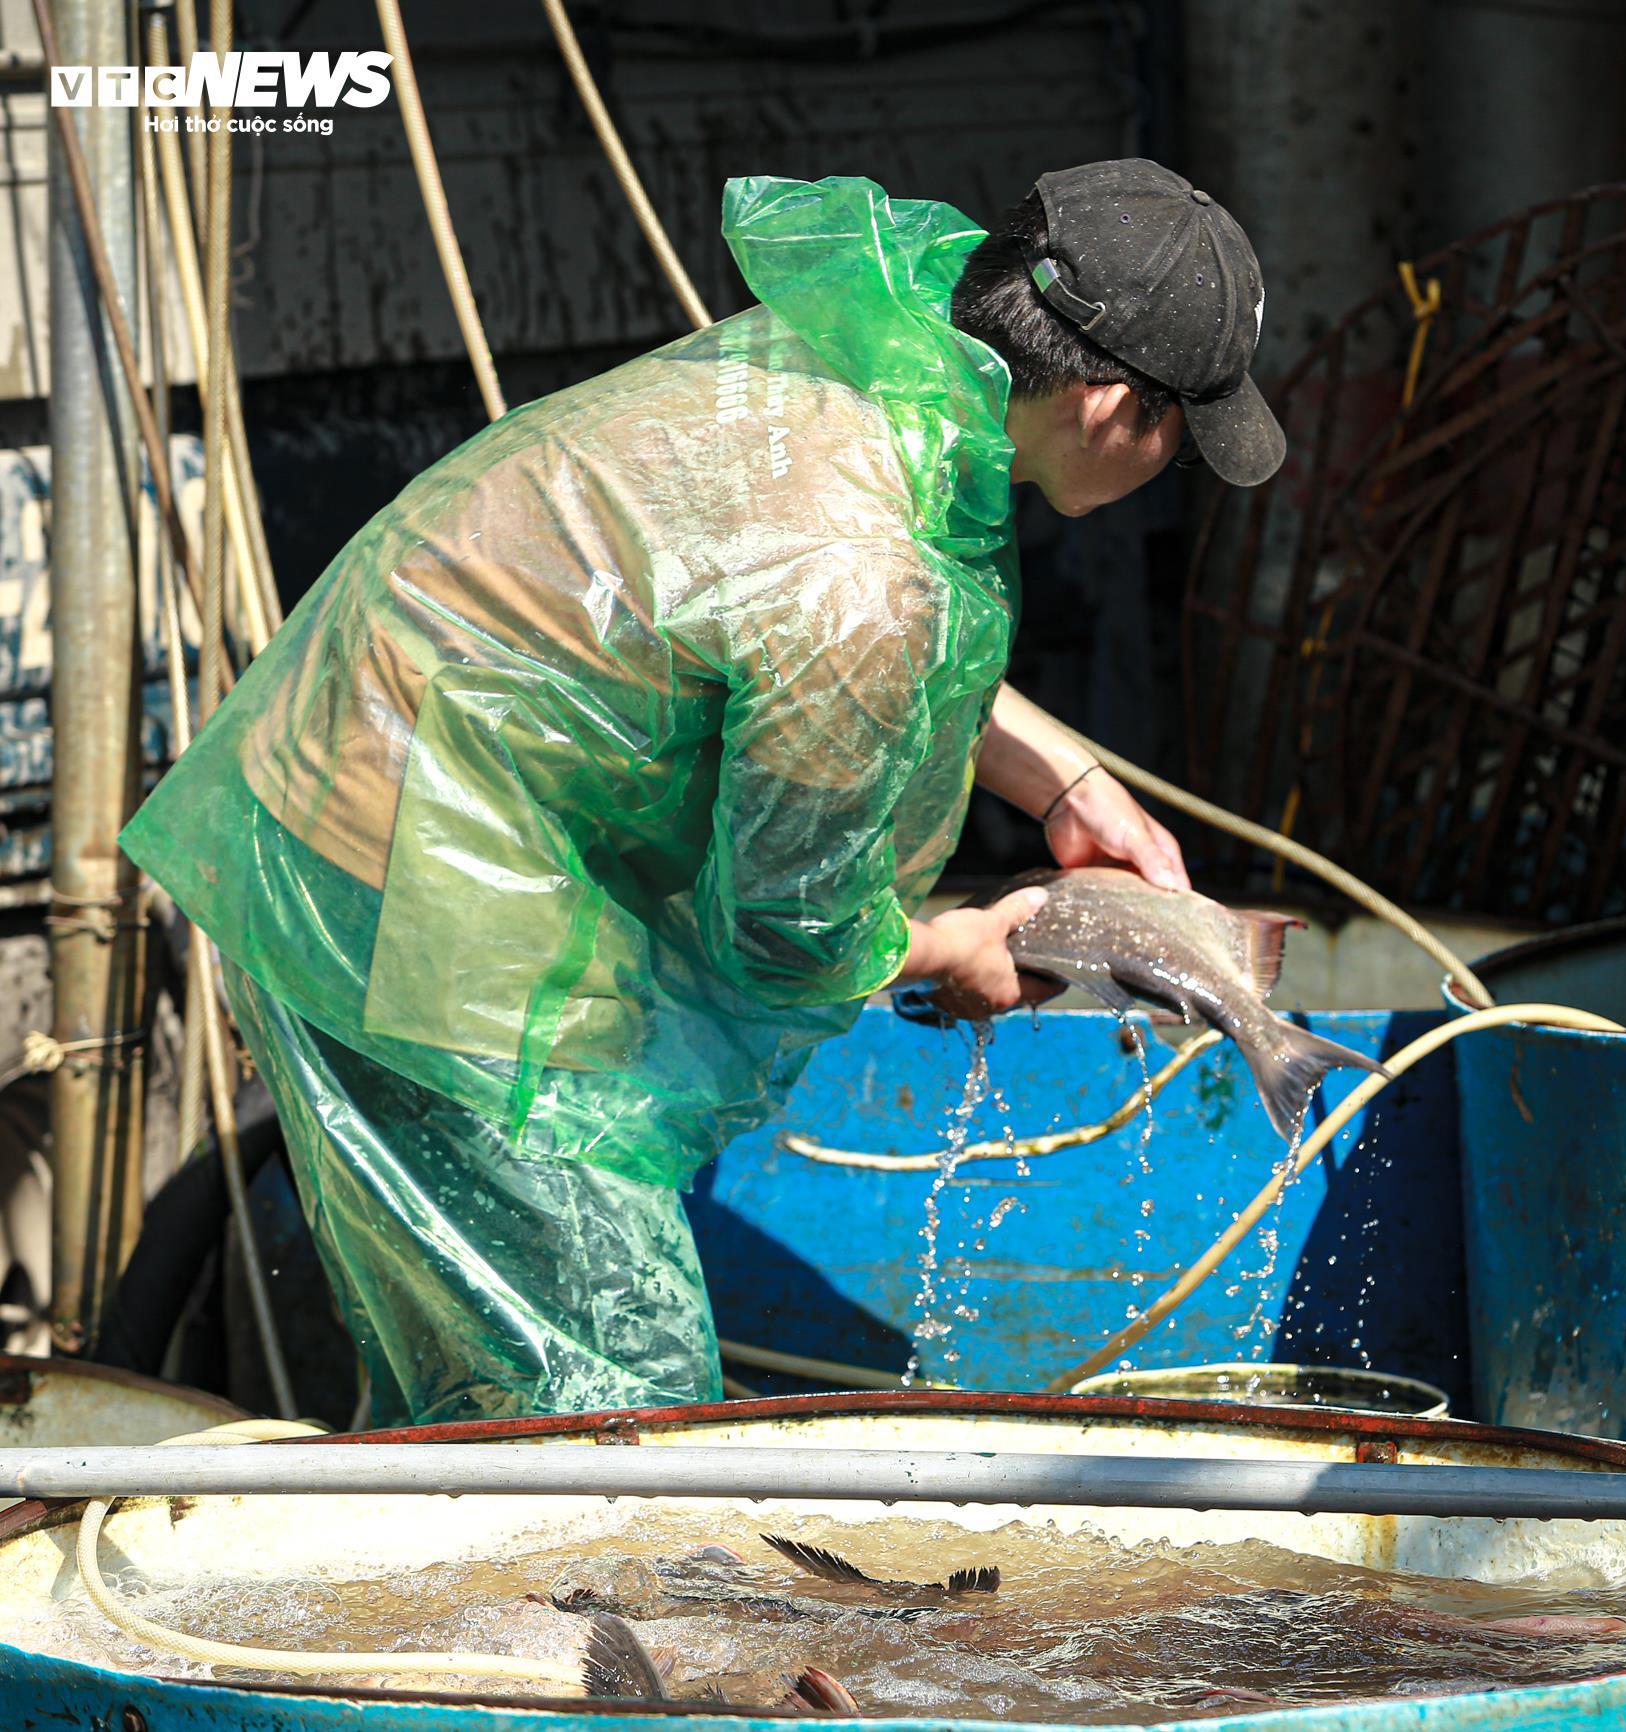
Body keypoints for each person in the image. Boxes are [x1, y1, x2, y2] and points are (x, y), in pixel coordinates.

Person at [120, 158, 1284, 1425]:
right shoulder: (864, 571)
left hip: (378, 779)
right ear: (1115, 408)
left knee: (496, 1388)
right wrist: (964, 943)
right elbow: (791, 924)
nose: (1172, 471)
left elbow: (771, 612)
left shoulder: (873, 357)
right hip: (422, 900)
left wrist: (1065, 776)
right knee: (614, 1410)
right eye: (1182, 446)